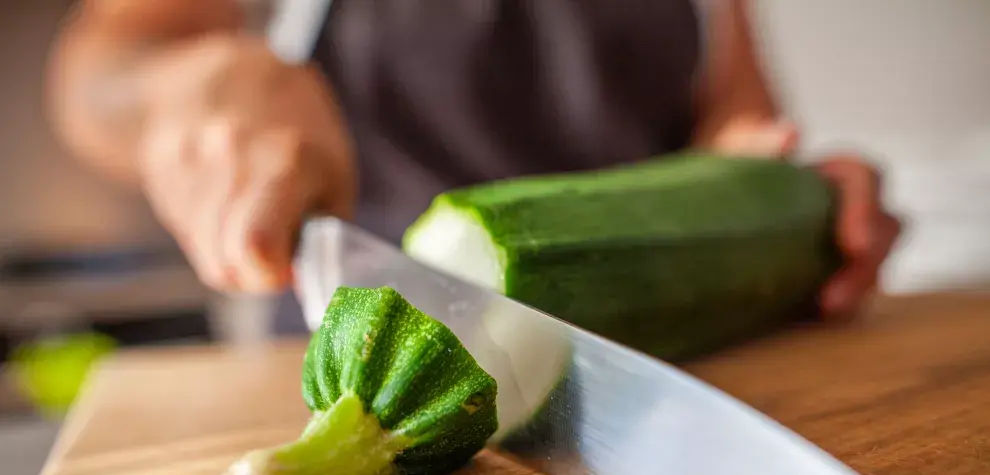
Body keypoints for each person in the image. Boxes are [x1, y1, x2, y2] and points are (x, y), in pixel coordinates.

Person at [46, 0, 900, 326]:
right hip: (362, 363)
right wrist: (180, 88)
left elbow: (734, 120)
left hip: (641, 353)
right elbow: (96, 71)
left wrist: (787, 199)